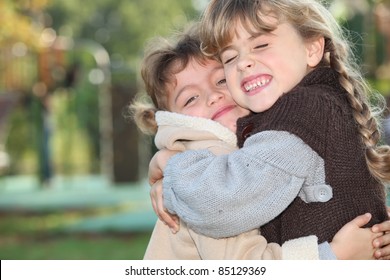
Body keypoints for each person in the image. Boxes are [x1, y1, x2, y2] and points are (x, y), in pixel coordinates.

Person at [148, 0, 390, 259]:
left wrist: (173, 169)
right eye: (230, 58)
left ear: (312, 48)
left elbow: (223, 199)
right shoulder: (308, 106)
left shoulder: (301, 110)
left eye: (261, 45)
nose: (243, 63)